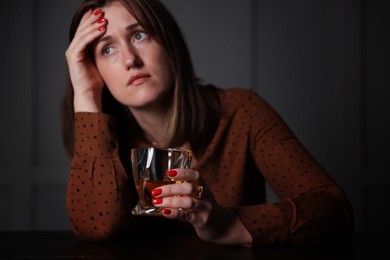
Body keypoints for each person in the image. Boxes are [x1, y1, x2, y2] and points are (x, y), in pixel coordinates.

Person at [61, 0, 353, 248]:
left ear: (168, 41)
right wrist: (86, 94)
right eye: (107, 50)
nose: (130, 60)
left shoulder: (240, 111)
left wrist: (229, 224)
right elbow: (96, 229)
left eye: (139, 35)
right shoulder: (104, 141)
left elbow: (334, 209)